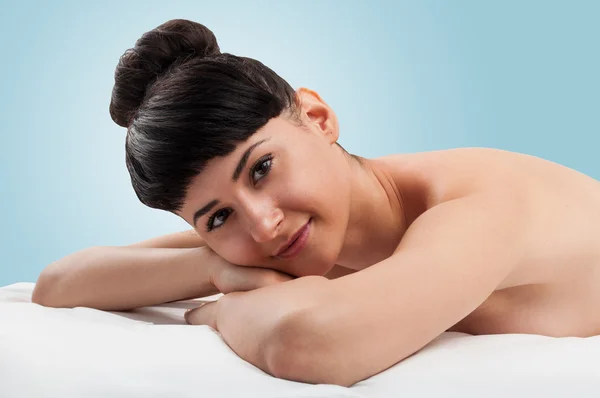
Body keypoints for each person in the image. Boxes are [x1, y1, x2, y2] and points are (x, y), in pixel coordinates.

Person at [32, 19, 600, 386]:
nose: (262, 222)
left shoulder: (477, 205)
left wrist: (226, 305)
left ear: (319, 119)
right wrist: (215, 266)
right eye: (218, 217)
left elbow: (308, 343)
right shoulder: (267, 238)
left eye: (261, 168)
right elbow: (60, 284)